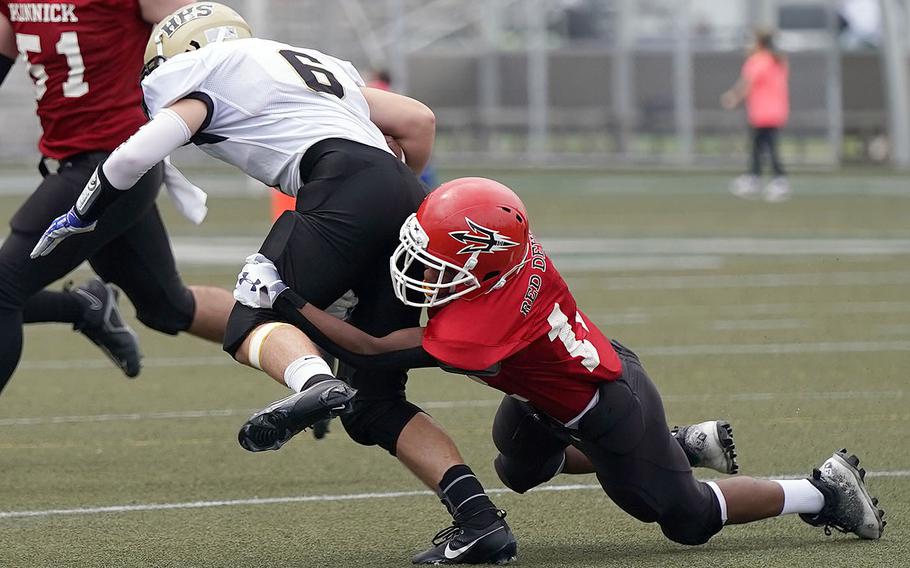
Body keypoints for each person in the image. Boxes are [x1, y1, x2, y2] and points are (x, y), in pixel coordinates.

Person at [30, 3, 518, 562]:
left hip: (336, 186)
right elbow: (418, 121)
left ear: (184, 51)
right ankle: (480, 520)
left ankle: (312, 382)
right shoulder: (308, 62)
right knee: (375, 401)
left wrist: (80, 214)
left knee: (249, 321)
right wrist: (394, 200)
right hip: (405, 193)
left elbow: (135, 153)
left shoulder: (204, 68)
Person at [234, 177, 887, 562]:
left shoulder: (478, 326)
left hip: (604, 405)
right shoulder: (506, 257)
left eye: (440, 264)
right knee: (517, 469)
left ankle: (820, 489)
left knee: (681, 519)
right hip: (546, 394)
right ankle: (681, 443)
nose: (421, 272)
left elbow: (372, 351)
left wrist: (286, 297)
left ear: (484, 271)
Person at [0, 0, 235, 392]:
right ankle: (305, 342)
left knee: (4, 288)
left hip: (118, 162)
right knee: (167, 306)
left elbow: (217, 32)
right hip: (78, 164)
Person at [722, 29, 790, 202]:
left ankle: (778, 180)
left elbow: (747, 84)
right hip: (774, 111)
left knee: (767, 146)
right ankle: (755, 177)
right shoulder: (777, 60)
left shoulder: (759, 60)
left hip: (764, 112)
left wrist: (733, 97)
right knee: (759, 146)